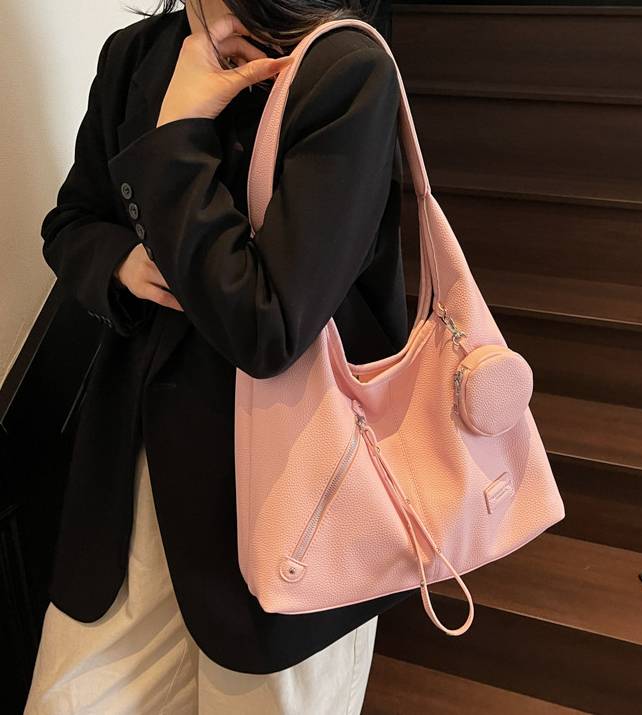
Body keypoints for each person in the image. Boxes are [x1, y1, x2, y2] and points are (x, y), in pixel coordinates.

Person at [24, 0, 418, 712]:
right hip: (133, 488)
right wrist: (119, 265)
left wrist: (177, 132)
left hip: (293, 503)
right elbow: (71, 220)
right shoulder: (135, 53)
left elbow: (267, 327)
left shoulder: (343, 69)